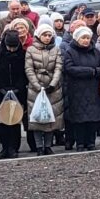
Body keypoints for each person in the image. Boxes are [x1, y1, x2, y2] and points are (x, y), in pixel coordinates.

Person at [61, 25, 100, 151]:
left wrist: (98, 71)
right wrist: (91, 71)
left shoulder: (95, 51)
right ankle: (80, 143)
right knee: (79, 119)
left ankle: (90, 142)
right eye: (83, 38)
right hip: (77, 90)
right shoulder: (70, 52)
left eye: (88, 38)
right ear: (77, 39)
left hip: (93, 89)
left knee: (93, 118)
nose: (86, 40)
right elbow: (69, 68)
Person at [23, 24, 65, 155]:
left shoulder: (56, 49)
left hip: (53, 87)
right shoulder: (30, 50)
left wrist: (53, 84)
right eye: (44, 35)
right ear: (38, 36)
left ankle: (48, 145)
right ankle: (39, 146)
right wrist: (37, 85)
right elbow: (29, 69)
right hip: (36, 88)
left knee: (51, 117)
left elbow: (58, 67)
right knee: (37, 118)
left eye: (49, 35)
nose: (47, 38)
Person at [0, 25, 30, 158]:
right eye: (9, 47)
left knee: (15, 121)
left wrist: (18, 88)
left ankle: (13, 147)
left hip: (17, 92)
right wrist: (0, 88)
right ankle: (4, 146)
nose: (12, 50)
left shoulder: (22, 54)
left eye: (14, 47)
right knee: (2, 121)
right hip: (0, 92)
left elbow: (24, 74)